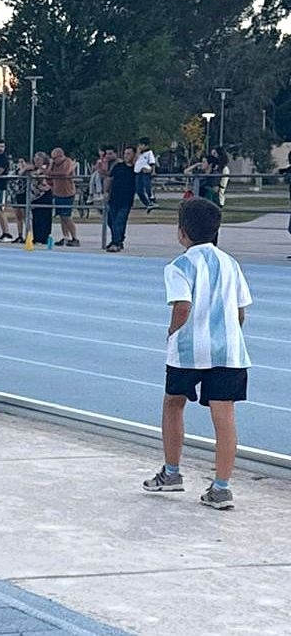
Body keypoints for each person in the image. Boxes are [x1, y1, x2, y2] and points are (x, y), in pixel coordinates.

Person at [142, 198, 251, 510]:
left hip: (190, 349)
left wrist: (172, 331)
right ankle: (221, 487)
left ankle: (172, 472)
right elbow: (240, 311)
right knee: (224, 416)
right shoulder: (232, 264)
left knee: (173, 404)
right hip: (228, 351)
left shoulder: (179, 266)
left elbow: (182, 306)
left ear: (181, 233)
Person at [105, 146, 133, 253]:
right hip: (114, 198)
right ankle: (118, 239)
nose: (126, 156)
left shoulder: (135, 169)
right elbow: (109, 179)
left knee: (119, 221)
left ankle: (115, 242)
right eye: (125, 153)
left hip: (126, 200)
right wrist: (106, 192)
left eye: (129, 154)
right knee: (111, 221)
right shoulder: (118, 166)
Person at [48, 147, 79, 247]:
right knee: (61, 217)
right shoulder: (54, 164)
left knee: (67, 216)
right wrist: (51, 165)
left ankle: (75, 238)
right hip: (58, 193)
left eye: (55, 158)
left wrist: (52, 174)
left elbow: (65, 173)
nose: (54, 160)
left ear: (61, 156)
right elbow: (47, 173)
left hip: (67, 193)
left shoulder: (67, 161)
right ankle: (65, 237)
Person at [135, 137, 158, 212]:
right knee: (138, 190)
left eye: (142, 145)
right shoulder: (138, 154)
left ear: (146, 146)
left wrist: (153, 171)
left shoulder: (149, 153)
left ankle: (152, 200)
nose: (140, 147)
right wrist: (137, 153)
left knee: (147, 186)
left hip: (145, 172)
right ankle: (147, 203)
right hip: (138, 172)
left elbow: (152, 162)